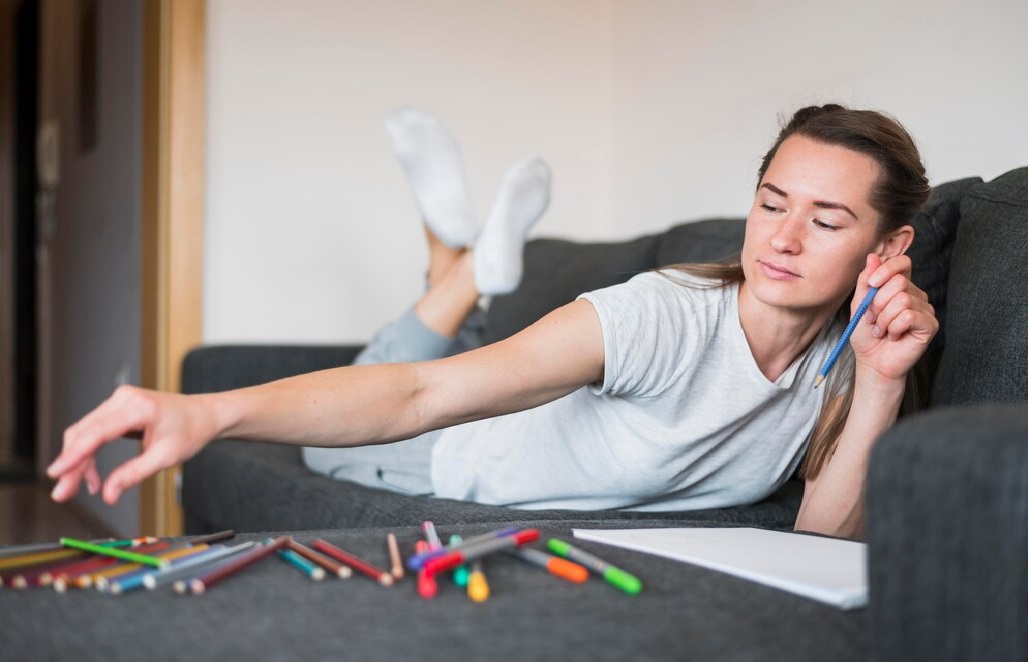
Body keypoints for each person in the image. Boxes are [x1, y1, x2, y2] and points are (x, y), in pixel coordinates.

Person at [47, 104, 937, 539]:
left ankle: (456, 264)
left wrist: (882, 380)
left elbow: (819, 545)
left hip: (519, 409)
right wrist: (208, 412)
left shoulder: (848, 356)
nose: (781, 238)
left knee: (457, 333)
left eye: (824, 221)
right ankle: (464, 269)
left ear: (888, 245)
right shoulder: (659, 317)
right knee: (378, 386)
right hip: (451, 454)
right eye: (771, 202)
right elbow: (419, 393)